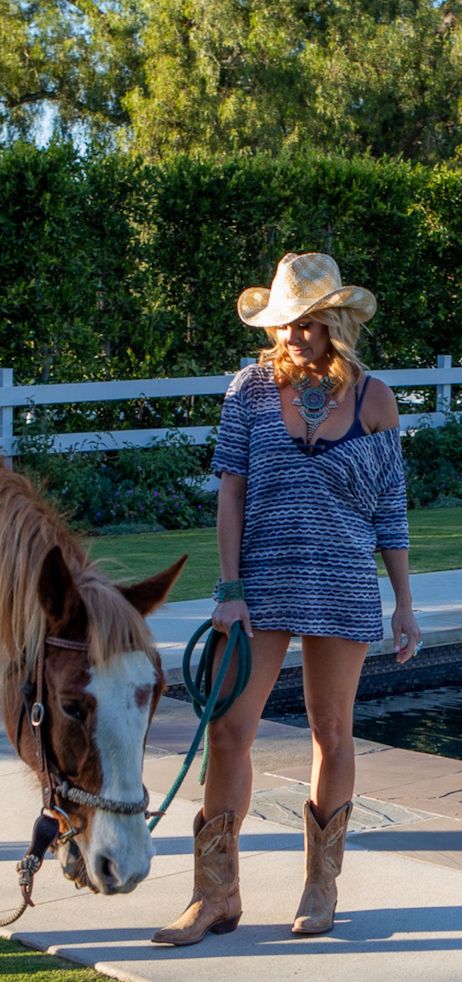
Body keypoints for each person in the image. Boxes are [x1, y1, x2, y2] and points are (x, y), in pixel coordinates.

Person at [153, 251, 422, 946]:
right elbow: (231, 495)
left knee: (332, 733)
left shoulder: (375, 398)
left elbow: (390, 510)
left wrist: (404, 602)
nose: (294, 336)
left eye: (307, 323)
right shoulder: (247, 391)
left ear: (335, 322)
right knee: (227, 728)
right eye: (285, 325)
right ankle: (214, 894)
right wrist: (230, 589)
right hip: (262, 585)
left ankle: (319, 884)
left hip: (342, 580)